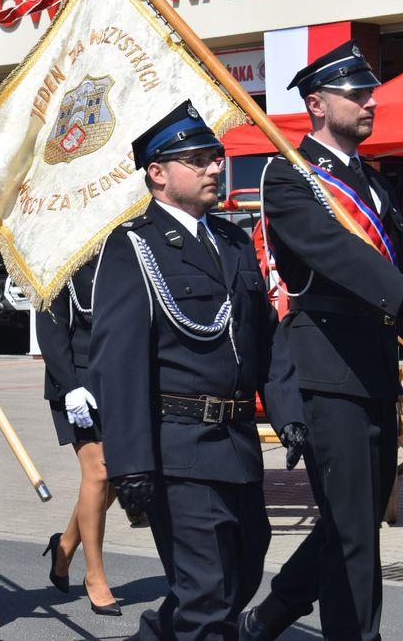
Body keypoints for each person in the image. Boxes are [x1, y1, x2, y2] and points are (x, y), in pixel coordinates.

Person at [89, 100, 307, 640]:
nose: (215, 167)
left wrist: (289, 414)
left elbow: (264, 339)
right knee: (207, 597)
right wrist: (130, 462)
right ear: (158, 174)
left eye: (216, 156)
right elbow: (118, 365)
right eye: (199, 159)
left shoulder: (232, 240)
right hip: (178, 450)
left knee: (241, 572)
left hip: (236, 444)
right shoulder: (132, 247)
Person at [241, 41, 403, 641]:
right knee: (355, 530)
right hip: (328, 367)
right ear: (316, 104)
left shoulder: (373, 182)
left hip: (378, 367)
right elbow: (339, 257)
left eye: (370, 94)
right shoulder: (289, 175)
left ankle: (273, 613)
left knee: (351, 520)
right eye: (356, 95)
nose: (369, 104)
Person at [35, 256, 121, 617]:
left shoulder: (128, 252)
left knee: (117, 474)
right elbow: (49, 327)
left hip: (122, 379)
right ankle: (95, 576)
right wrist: (69, 386)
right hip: (78, 382)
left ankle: (66, 545)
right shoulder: (62, 257)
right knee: (99, 471)